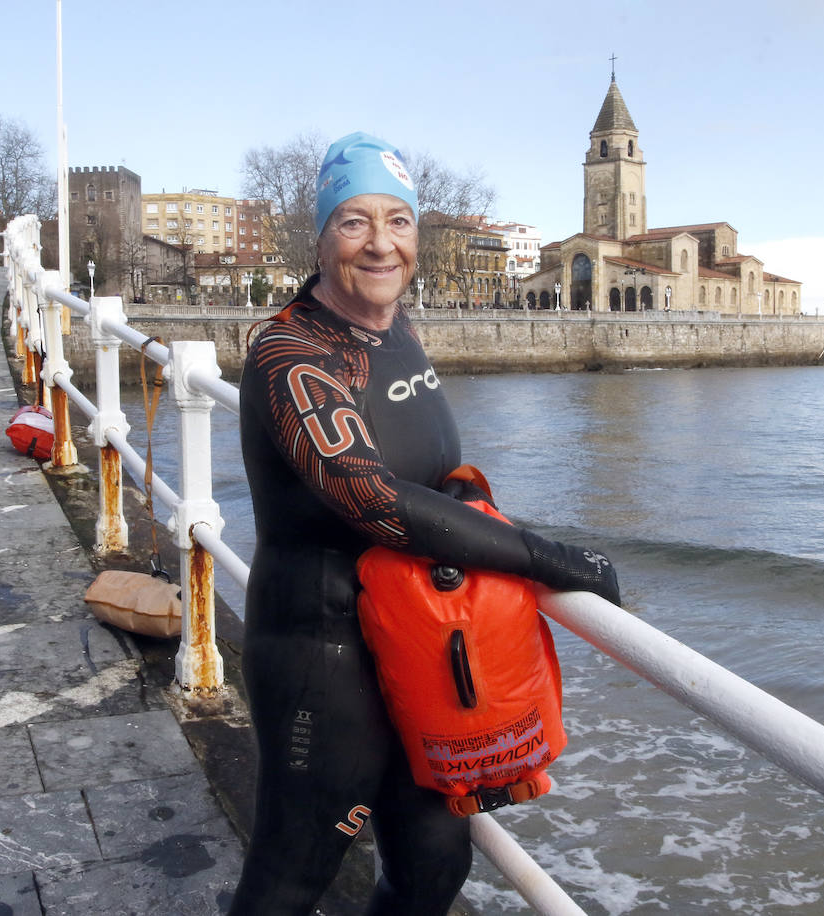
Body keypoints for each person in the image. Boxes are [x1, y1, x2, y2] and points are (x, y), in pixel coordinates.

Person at [231, 131, 620, 915]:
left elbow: (435, 479)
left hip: (418, 643)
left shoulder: (398, 327)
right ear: (321, 238)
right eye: (354, 222)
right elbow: (374, 499)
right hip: (323, 654)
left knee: (434, 863)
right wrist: (546, 558)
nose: (381, 244)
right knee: (292, 874)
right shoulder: (289, 352)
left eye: (398, 221)